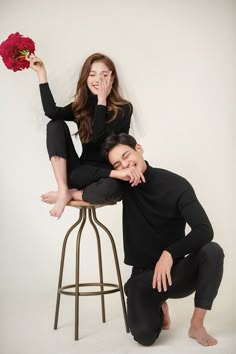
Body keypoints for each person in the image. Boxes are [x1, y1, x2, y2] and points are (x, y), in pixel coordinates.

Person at [101, 133, 224, 347]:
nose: (126, 165)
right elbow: (90, 186)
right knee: (144, 337)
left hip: (175, 273)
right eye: (118, 164)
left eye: (126, 156)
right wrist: (65, 193)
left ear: (139, 148)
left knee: (212, 251)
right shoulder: (121, 186)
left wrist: (169, 254)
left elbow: (204, 230)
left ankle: (197, 325)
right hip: (144, 278)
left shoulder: (176, 184)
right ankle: (158, 305)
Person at [27, 53, 133, 218]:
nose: (98, 79)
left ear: (112, 79)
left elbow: (99, 137)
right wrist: (41, 73)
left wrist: (102, 101)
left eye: (104, 75)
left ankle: (71, 194)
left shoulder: (124, 109)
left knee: (112, 189)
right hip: (82, 173)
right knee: (55, 125)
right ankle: (63, 189)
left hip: (106, 175)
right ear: (86, 78)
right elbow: (51, 112)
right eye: (92, 74)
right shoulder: (81, 107)